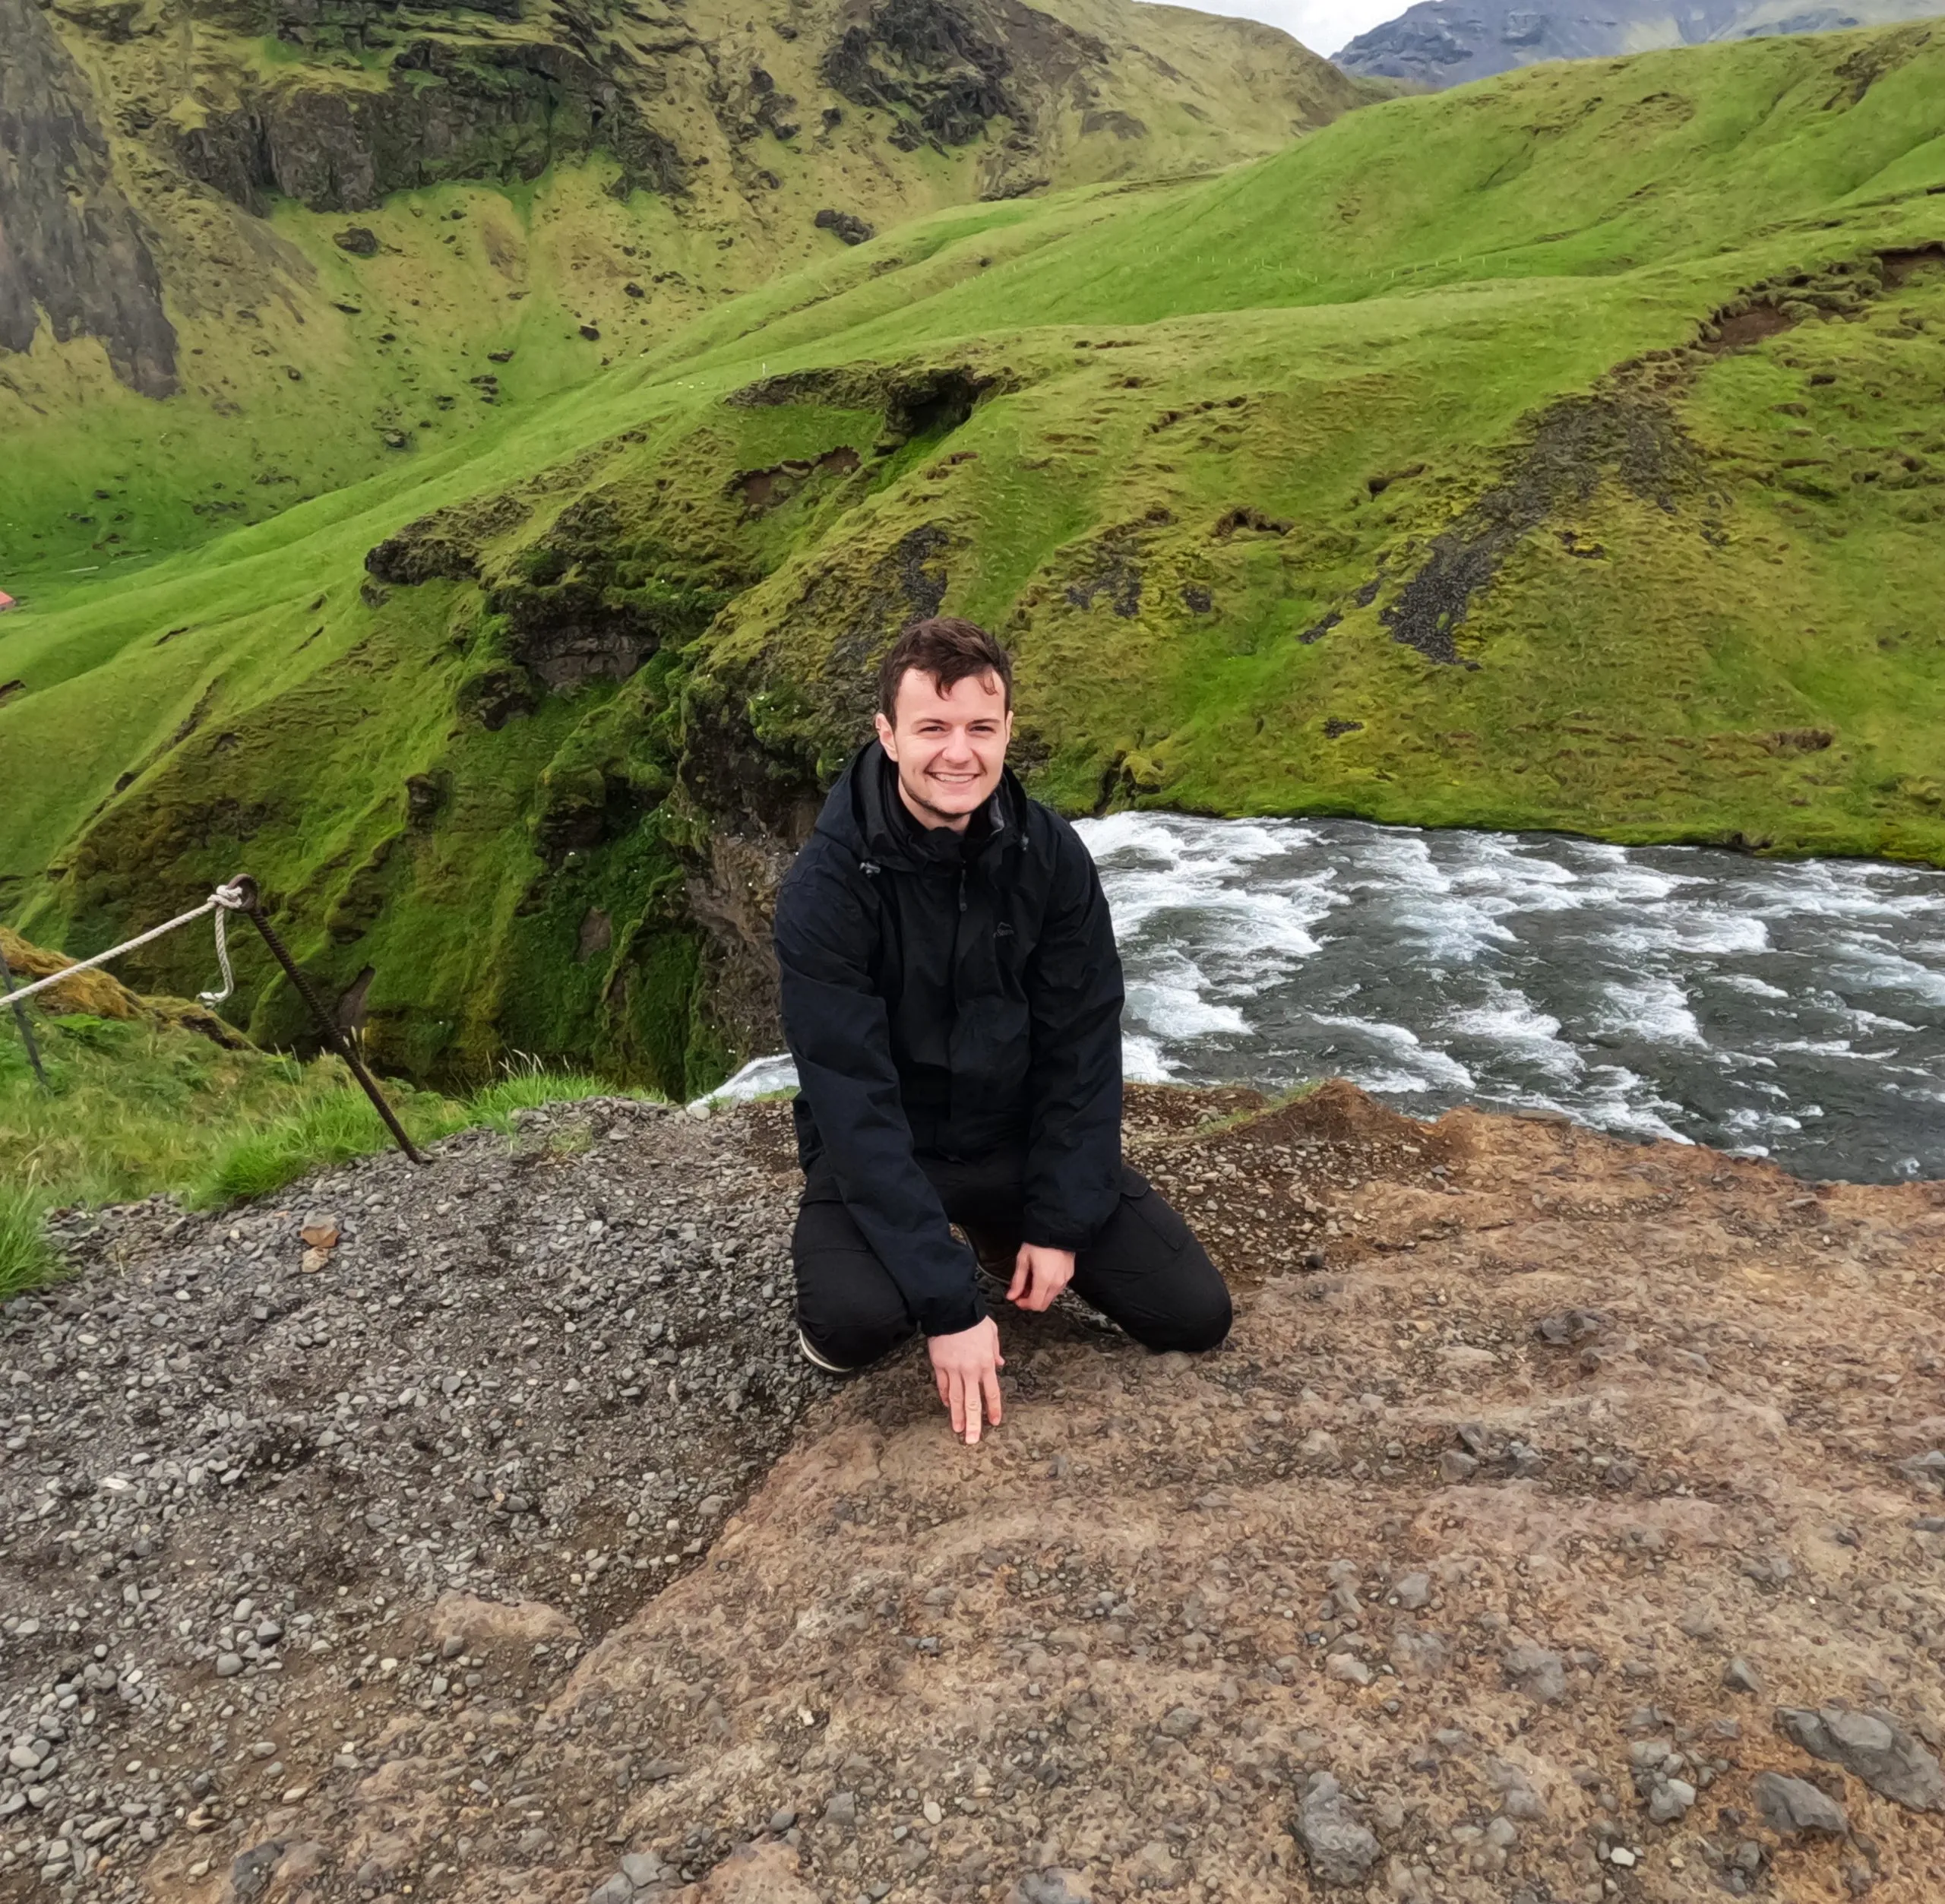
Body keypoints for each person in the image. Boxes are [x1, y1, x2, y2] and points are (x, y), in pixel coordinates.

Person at [773, 615, 1232, 1444]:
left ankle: (1000, 1231)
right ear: (887, 734)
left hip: (1014, 1139)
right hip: (892, 1148)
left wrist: (1058, 1223)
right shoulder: (827, 887)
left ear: (1009, 729)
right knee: (852, 1329)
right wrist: (950, 1311)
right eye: (933, 729)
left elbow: (1082, 1047)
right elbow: (851, 1101)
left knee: (1192, 1314)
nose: (959, 753)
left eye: (981, 728)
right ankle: (934, 1255)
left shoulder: (1050, 855)